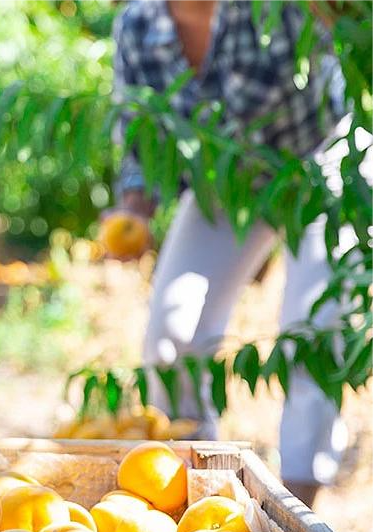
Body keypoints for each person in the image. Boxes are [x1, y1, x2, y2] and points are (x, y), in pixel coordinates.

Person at [111, 0, 371, 505]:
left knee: (313, 335)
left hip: (320, 164)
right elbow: (139, 138)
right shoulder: (139, 25)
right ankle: (194, 490)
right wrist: (134, 210)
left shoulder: (278, 7)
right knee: (172, 335)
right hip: (228, 181)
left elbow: (348, 32)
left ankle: (298, 511)